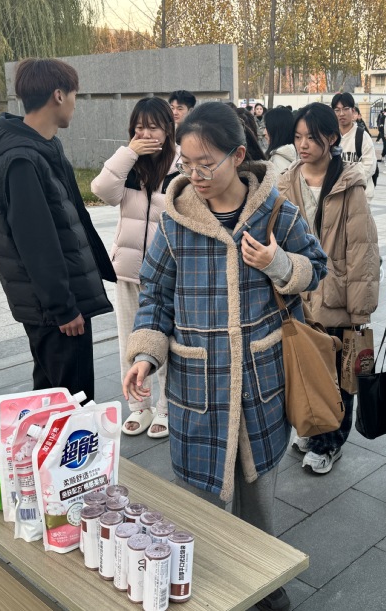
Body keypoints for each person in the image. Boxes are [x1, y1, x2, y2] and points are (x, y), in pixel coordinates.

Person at [122, 101, 326, 611]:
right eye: (187, 165)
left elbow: (316, 267)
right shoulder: (176, 222)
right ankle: (205, 590)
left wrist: (278, 263)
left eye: (206, 164)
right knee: (198, 500)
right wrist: (145, 356)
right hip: (198, 384)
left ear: (237, 156)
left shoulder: (276, 211)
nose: (196, 176)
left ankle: (265, 586)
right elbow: (155, 295)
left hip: (260, 381)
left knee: (258, 500)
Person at [0, 58, 115, 398]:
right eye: (75, 95)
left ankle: (43, 435)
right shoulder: (21, 159)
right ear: (59, 95)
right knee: (72, 402)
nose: (75, 103)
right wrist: (64, 308)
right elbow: (36, 244)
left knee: (51, 396)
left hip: (58, 302)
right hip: (56, 310)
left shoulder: (43, 147)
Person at [278, 103, 380, 474]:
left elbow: (362, 249)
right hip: (297, 292)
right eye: (298, 137)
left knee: (338, 374)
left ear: (332, 138)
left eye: (312, 137)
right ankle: (311, 428)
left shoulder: (349, 184)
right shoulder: (285, 182)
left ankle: (331, 442)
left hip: (335, 294)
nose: (303, 145)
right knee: (305, 368)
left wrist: (360, 308)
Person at [91, 97, 179, 438]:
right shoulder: (129, 165)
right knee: (131, 341)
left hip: (167, 274)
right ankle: (138, 406)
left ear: (168, 129)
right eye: (139, 127)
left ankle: (166, 408)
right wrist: (129, 152)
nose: (145, 134)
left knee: (166, 341)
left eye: (153, 127)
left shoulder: (180, 166)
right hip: (128, 270)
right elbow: (102, 190)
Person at [332, 92, 377, 202]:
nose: (341, 114)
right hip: (336, 195)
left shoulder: (362, 136)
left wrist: (348, 182)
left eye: (345, 109)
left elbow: (369, 166)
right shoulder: (330, 137)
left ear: (353, 111)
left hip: (359, 195)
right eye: (337, 110)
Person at [264, 106, 297, 174]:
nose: (264, 132)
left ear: (277, 130)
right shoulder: (293, 154)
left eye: (267, 127)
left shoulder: (278, 161)